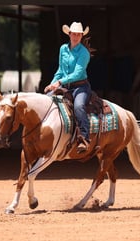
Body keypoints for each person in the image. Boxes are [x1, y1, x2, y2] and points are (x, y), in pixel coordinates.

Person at [44, 21, 94, 153]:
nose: (76, 36)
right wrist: (52, 83)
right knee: (47, 101)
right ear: (69, 34)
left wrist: (59, 83)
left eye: (79, 34)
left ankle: (84, 138)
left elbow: (78, 74)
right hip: (65, 86)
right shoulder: (63, 49)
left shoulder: (84, 53)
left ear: (82, 36)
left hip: (80, 87)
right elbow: (60, 69)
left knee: (78, 106)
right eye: (74, 34)